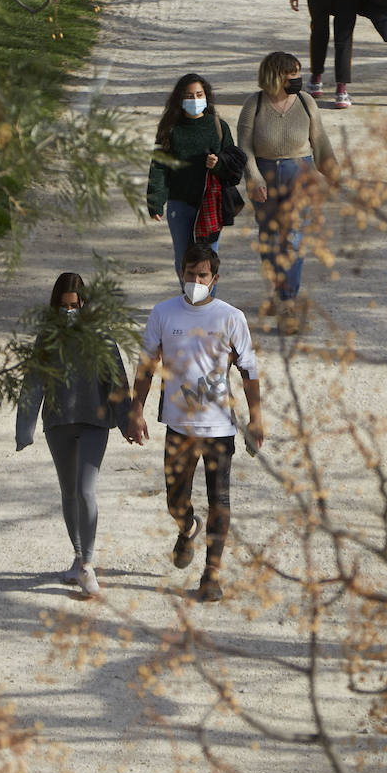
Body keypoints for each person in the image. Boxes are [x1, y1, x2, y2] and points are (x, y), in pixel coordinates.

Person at [124, 245, 264, 603]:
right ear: (181, 273)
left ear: (215, 280)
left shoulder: (231, 317)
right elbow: (146, 365)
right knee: (175, 500)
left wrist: (257, 418)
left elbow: (248, 371)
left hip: (218, 429)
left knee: (220, 501)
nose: (195, 281)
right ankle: (186, 527)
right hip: (178, 426)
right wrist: (135, 408)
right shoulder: (163, 313)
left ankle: (211, 575)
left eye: (203, 275)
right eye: (190, 273)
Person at [15, 272, 132, 599]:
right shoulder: (47, 339)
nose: (70, 311)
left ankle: (88, 565)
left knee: (85, 491)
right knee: (68, 492)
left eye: (75, 305)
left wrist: (128, 423)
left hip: (94, 424)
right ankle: (78, 557)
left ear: (84, 304)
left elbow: (117, 383)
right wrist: (24, 428)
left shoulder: (102, 339)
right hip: (59, 423)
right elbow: (33, 382)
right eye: (64, 306)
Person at [236, 51, 338, 334]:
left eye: (298, 73)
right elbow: (243, 147)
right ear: (276, 76)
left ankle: (287, 301)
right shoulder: (253, 105)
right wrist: (253, 179)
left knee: (293, 238)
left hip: (299, 175)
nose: (297, 79)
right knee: (270, 240)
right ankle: (275, 289)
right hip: (265, 178)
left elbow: (319, 140)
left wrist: (334, 172)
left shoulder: (305, 102)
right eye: (292, 74)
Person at [146, 73, 244, 282]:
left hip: (210, 204)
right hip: (179, 204)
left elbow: (233, 162)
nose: (195, 100)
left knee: (207, 259)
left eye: (199, 94)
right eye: (189, 96)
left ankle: (207, 304)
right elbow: (159, 167)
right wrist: (155, 200)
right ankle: (188, 300)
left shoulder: (218, 126)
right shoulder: (170, 129)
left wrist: (217, 165)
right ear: (180, 99)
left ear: (206, 96)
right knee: (183, 258)